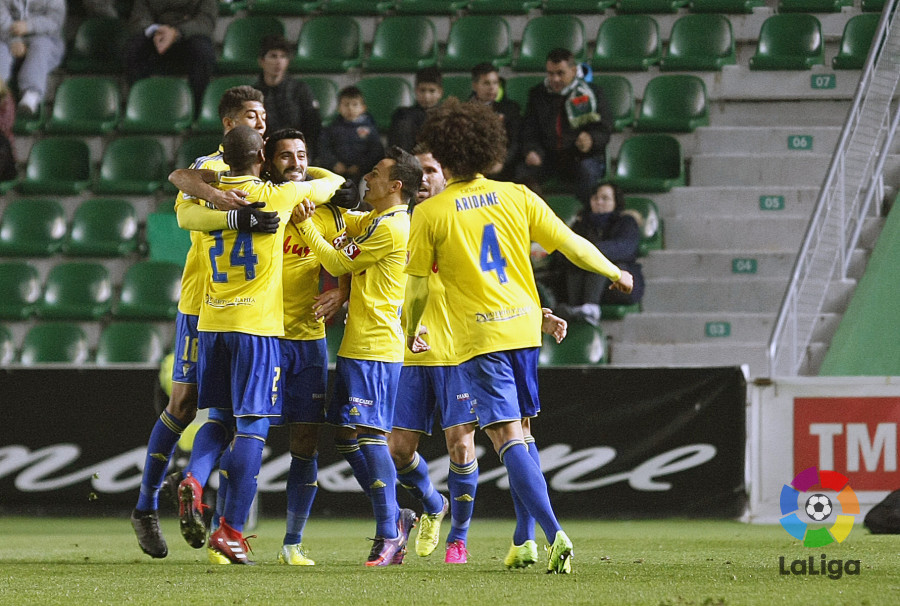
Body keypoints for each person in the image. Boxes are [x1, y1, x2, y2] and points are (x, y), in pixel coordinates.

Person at [405, 99, 633, 574]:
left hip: (480, 337)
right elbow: (569, 244)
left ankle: (556, 535)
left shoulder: (431, 214)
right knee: (523, 437)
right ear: (489, 150)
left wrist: (411, 331)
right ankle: (522, 540)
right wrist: (614, 270)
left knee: (507, 436)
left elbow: (419, 287)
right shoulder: (517, 194)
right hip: (525, 329)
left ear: (444, 157)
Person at [174, 125, 344, 564]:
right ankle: (230, 529)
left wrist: (224, 208)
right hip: (258, 329)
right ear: (263, 158)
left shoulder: (203, 200)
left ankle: (194, 477)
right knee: (253, 427)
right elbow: (333, 184)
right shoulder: (277, 196)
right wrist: (308, 177)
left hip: (211, 324)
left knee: (219, 418)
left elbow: (183, 214)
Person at [130, 85, 272, 560]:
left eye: (264, 114)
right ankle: (147, 506)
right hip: (201, 303)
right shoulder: (211, 165)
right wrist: (221, 198)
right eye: (252, 114)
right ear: (231, 123)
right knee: (185, 404)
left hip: (252, 306)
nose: (261, 121)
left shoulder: (262, 167)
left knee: (223, 415)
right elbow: (180, 177)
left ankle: (199, 492)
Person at [292, 146, 422, 567]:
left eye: (376, 173)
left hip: (377, 346)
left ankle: (389, 530)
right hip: (357, 344)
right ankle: (395, 516)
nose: (367, 177)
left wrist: (304, 223)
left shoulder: (393, 229)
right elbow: (344, 221)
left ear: (396, 186)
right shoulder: (376, 219)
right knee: (346, 437)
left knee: (368, 435)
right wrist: (307, 181)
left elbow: (333, 258)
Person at [388, 147, 476, 565]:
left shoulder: (460, 220)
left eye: (431, 171)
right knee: (398, 450)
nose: (423, 178)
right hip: (408, 355)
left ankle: (458, 537)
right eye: (417, 172)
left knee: (460, 446)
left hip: (458, 351)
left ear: (445, 176)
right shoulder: (394, 225)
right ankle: (432, 503)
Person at [516, 48, 613, 205]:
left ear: (573, 71)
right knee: (522, 174)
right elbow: (529, 130)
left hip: (581, 157)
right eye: (550, 73)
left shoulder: (592, 93)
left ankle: (586, 219)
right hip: (548, 157)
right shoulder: (537, 94)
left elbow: (604, 127)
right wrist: (532, 151)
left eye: (560, 73)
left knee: (587, 171)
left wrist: (591, 139)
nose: (554, 79)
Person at [557, 181, 645, 325]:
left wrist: (587, 252)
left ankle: (590, 309)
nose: (599, 202)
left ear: (616, 202)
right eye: (595, 198)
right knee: (577, 260)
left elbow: (624, 247)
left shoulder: (626, 222)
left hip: (619, 285)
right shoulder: (581, 224)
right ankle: (577, 308)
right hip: (582, 284)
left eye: (605, 198)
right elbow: (564, 250)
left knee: (596, 260)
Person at [254, 34, 322, 160]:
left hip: (298, 153)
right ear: (262, 61)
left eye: (283, 57)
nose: (278, 61)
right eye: (273, 56)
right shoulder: (253, 93)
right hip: (264, 155)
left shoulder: (300, 89)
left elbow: (314, 129)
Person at [0, 0, 65, 117]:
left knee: (41, 46)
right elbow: (2, 19)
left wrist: (29, 26)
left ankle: (31, 94)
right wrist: (14, 41)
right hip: (8, 38)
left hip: (45, 37)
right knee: (1, 50)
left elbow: (55, 20)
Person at [318, 85, 384, 185]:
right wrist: (334, 163)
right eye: (346, 104)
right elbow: (323, 148)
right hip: (337, 172)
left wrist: (360, 166)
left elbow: (375, 151)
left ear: (363, 108)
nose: (350, 108)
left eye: (355, 104)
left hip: (362, 173)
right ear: (338, 108)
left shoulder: (370, 129)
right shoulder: (332, 128)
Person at [468, 63, 521, 181]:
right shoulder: (464, 110)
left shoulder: (510, 109)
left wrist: (502, 161)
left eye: (495, 83)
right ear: (475, 85)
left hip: (504, 166)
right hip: (472, 166)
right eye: (486, 83)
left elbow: (515, 141)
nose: (492, 87)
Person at [388, 67, 442, 153]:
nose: (426, 96)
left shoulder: (447, 116)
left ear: (440, 92)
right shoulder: (403, 116)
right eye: (422, 90)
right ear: (416, 91)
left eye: (432, 91)